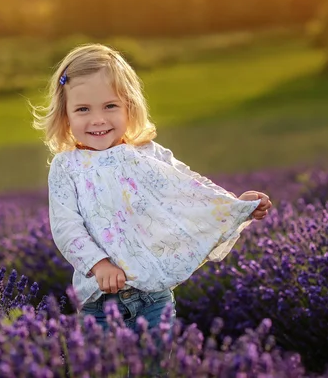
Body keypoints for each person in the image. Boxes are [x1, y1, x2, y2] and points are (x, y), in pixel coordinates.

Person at [32, 43, 272, 334]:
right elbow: (67, 227)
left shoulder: (148, 154)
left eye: (110, 106)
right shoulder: (67, 167)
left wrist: (235, 205)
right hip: (100, 302)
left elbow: (189, 187)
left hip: (155, 297)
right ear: (66, 114)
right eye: (83, 109)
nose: (98, 119)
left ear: (129, 106)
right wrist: (100, 265)